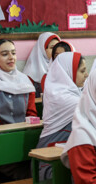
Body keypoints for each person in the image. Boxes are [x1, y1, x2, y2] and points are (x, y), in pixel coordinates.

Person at [0, 39, 36, 180]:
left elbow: (31, 115)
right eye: (4, 54)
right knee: (22, 172)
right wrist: (4, 142)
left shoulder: (25, 81)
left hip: (22, 138)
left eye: (13, 53)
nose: (11, 57)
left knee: (37, 164)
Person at [36, 52, 88, 180]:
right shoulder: (61, 97)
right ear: (67, 73)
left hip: (69, 154)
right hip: (51, 162)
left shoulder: (74, 92)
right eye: (82, 71)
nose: (86, 75)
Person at [23, 32, 60, 96]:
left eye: (58, 47)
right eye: (52, 48)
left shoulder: (63, 66)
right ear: (43, 49)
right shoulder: (30, 73)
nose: (56, 51)